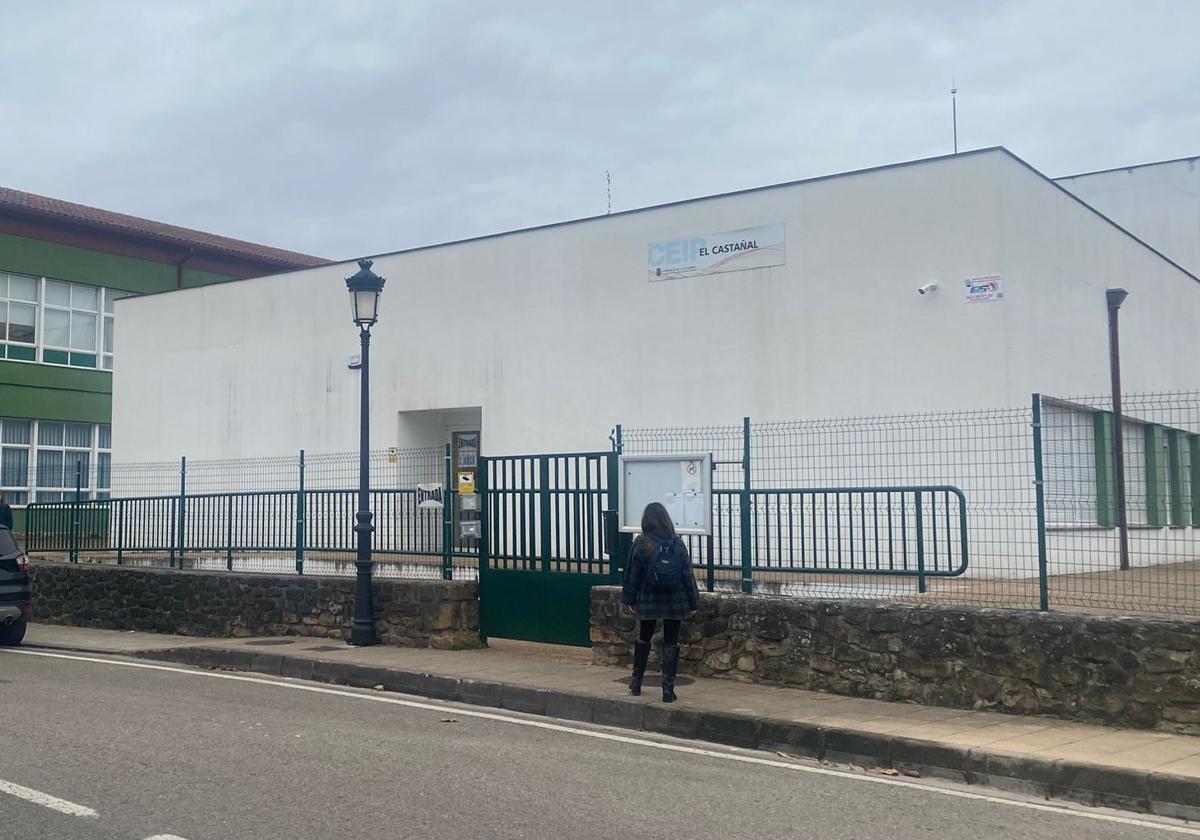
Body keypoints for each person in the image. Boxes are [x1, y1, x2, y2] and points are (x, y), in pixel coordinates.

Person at [620, 501, 700, 702]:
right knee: (671, 641)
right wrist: (693, 602)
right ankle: (668, 689)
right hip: (675, 599)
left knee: (644, 637)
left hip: (648, 599)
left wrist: (630, 599)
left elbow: (633, 575)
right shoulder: (676, 543)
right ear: (666, 520)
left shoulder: (641, 543)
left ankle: (636, 681)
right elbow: (687, 575)